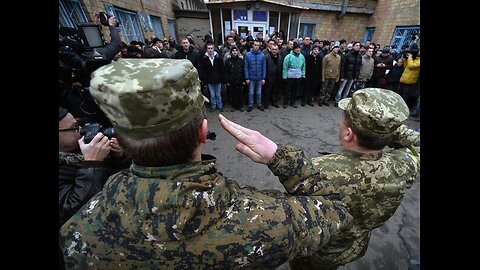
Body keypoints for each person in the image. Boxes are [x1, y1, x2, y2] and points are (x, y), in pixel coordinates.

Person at [59, 58, 353, 269]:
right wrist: (279, 157)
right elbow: (337, 210)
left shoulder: (77, 233)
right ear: (203, 131)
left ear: (119, 138)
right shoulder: (269, 221)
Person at [289, 88, 420, 270]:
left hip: (319, 251)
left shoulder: (317, 170)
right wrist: (384, 130)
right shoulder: (404, 167)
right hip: (352, 246)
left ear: (348, 134)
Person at [59, 107, 130, 227]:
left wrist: (120, 157)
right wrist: (92, 164)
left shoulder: (83, 145)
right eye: (75, 127)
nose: (81, 130)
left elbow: (117, 178)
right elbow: (71, 211)